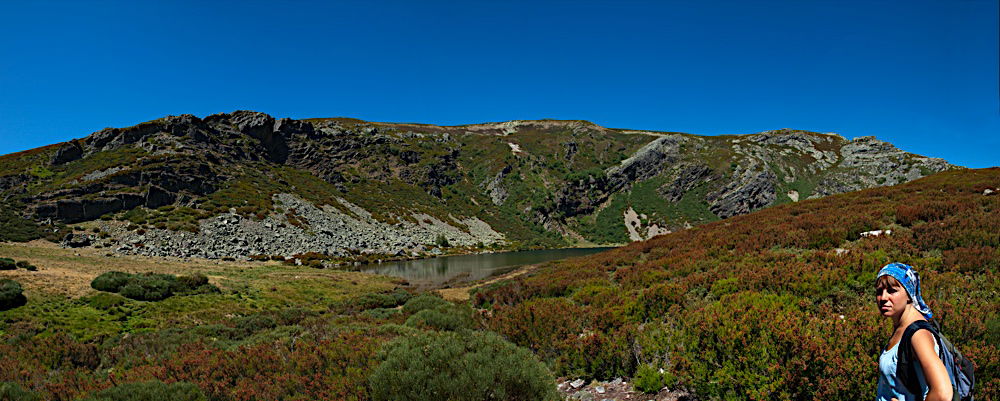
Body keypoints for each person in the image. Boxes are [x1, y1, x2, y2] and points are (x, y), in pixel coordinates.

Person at [875, 262, 953, 401]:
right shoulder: (902, 328)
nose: (883, 297)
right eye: (879, 291)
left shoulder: (918, 334)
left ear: (909, 294)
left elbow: (943, 394)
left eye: (892, 290)